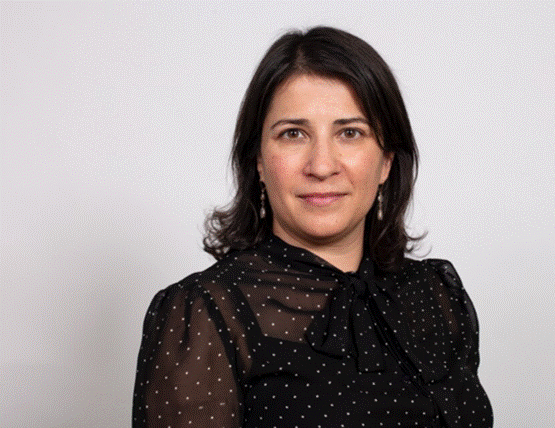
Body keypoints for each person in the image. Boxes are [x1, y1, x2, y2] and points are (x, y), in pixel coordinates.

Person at [132, 26, 492, 428]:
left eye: (350, 133)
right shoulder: (205, 311)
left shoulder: (436, 294)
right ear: (258, 161)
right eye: (293, 134)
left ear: (387, 161)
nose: (321, 166)